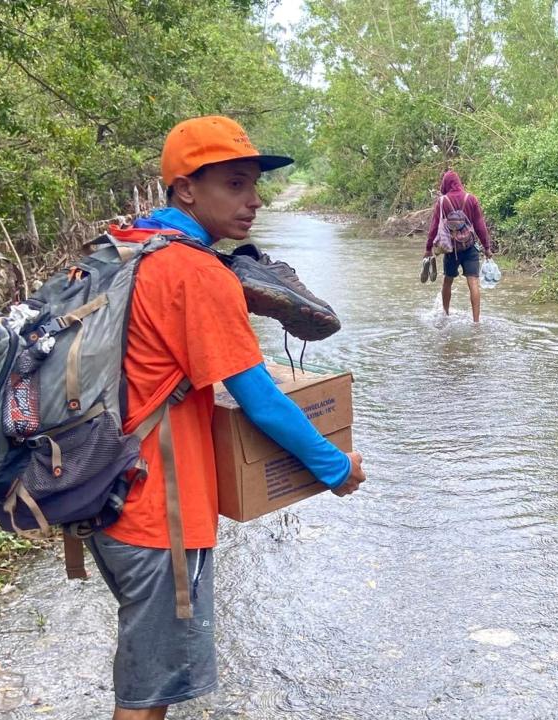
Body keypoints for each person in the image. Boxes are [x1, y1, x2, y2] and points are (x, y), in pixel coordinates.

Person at [90, 115, 368, 720]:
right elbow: (261, 399)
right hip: (158, 513)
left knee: (147, 670)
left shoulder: (124, 247)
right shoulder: (195, 272)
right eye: (236, 184)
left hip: (101, 494)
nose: (255, 201)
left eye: (254, 186)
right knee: (148, 694)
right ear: (186, 189)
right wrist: (333, 467)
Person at [425, 170, 493, 322]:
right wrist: (486, 247)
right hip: (470, 248)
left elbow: (434, 227)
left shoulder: (442, 202)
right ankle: (476, 321)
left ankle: (445, 314)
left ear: (446, 183)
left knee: (448, 280)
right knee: (473, 282)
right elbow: (480, 225)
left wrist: (428, 248)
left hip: (451, 249)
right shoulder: (471, 199)